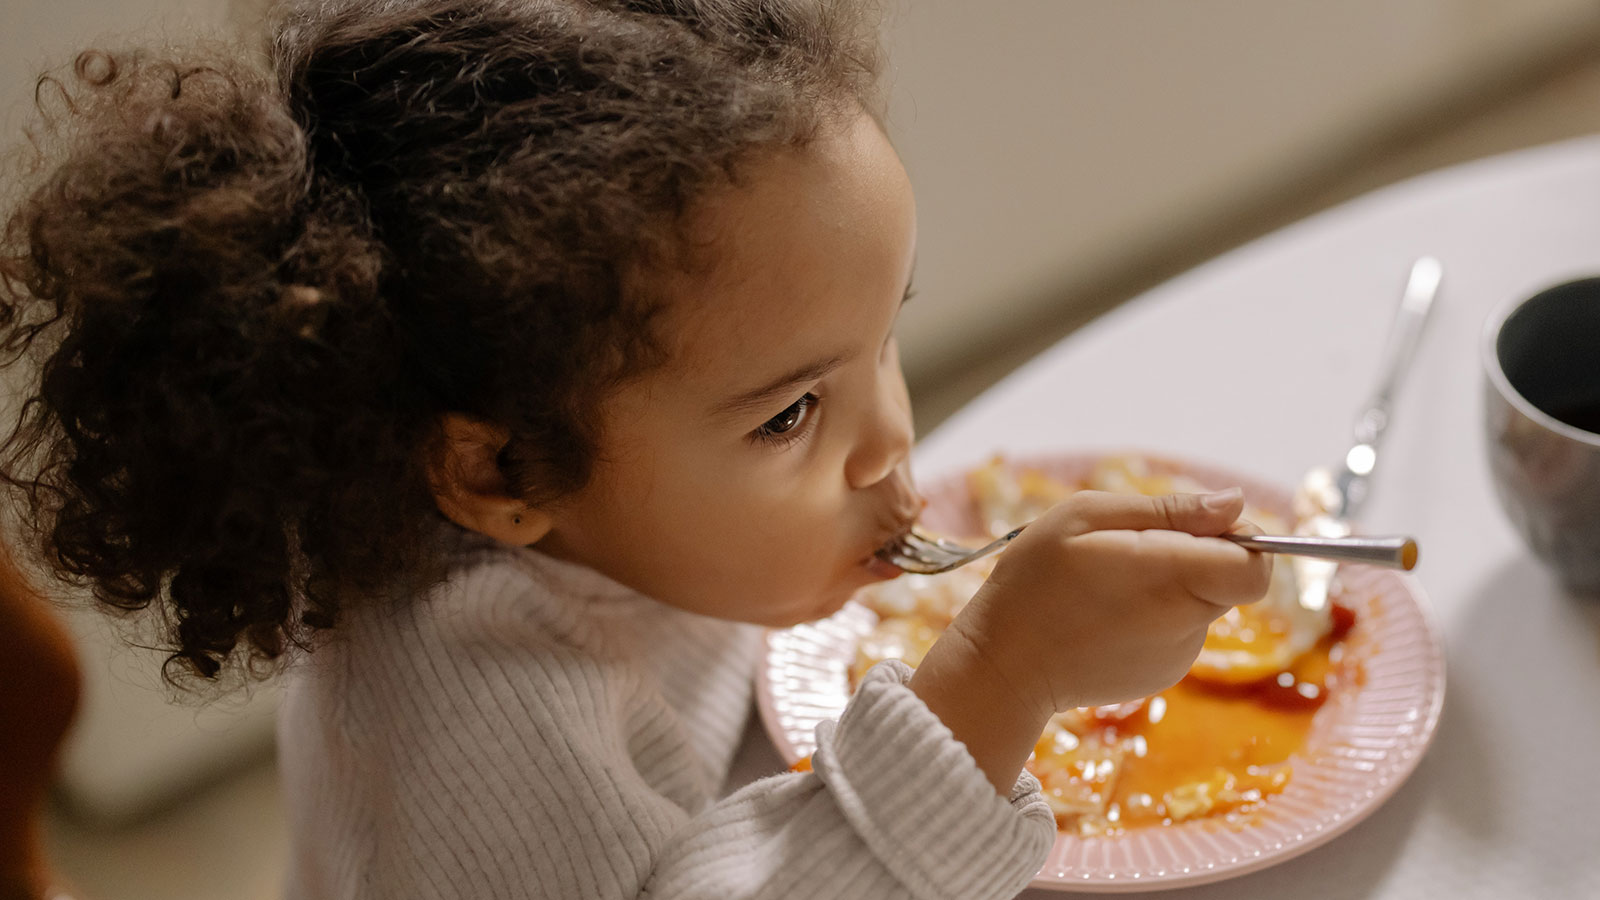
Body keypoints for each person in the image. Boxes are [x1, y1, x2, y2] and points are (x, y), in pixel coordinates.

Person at [0, 1, 1271, 897]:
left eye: (886, 336)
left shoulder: (630, 523)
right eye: (789, 416)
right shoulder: (479, 713)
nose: (892, 443)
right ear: (500, 477)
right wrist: (998, 682)